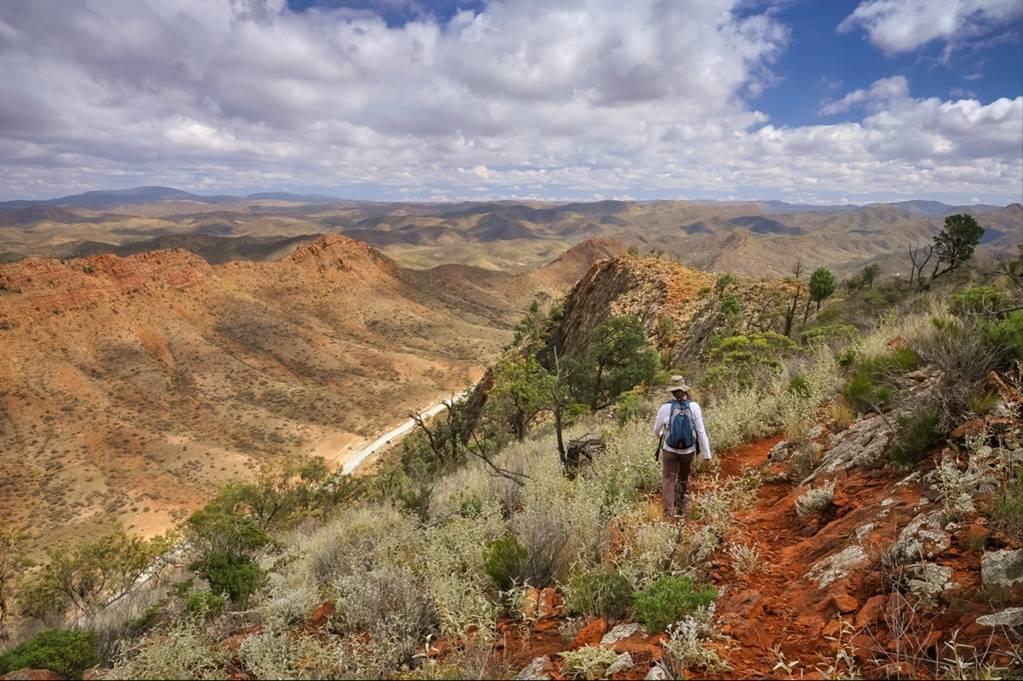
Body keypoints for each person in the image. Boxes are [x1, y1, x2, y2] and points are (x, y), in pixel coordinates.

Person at [653, 375, 712, 520]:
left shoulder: (665, 407)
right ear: (684, 389)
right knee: (683, 478)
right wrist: (707, 455)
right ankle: (681, 510)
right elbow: (700, 431)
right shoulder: (694, 406)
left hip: (670, 451)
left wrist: (663, 435)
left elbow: (656, 430)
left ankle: (668, 515)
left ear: (672, 391)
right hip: (688, 451)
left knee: (668, 480)